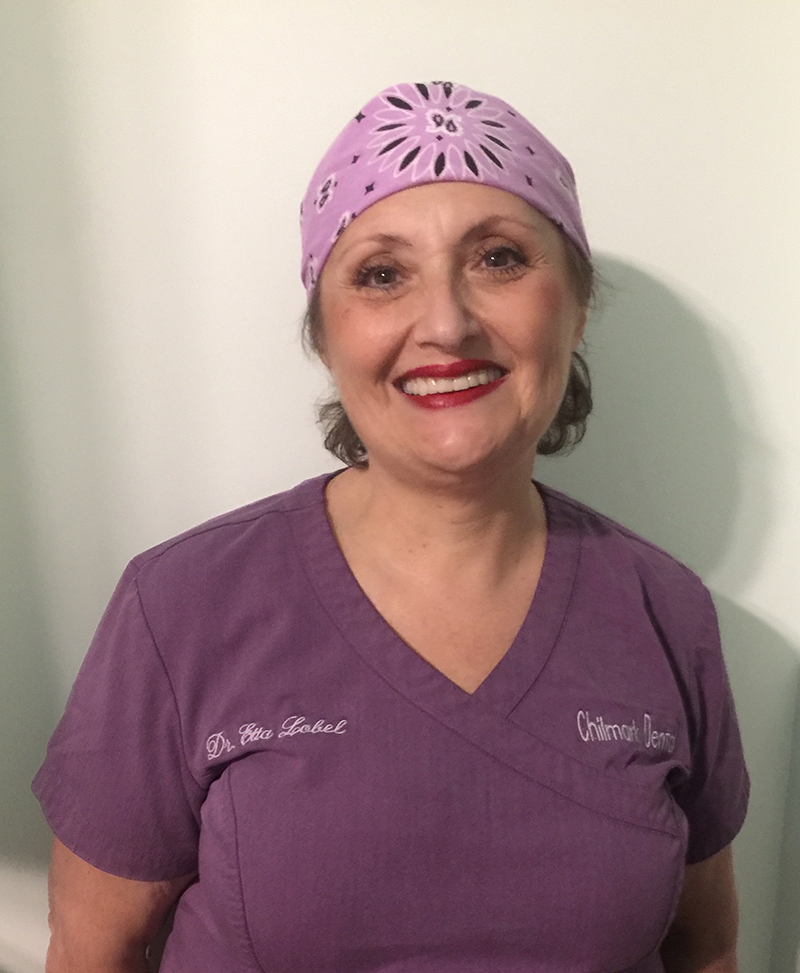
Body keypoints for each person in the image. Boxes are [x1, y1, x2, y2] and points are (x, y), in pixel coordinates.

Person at [34, 81, 748, 973]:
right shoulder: (179, 607)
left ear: (575, 303)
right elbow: (92, 953)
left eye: (498, 258)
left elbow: (708, 950)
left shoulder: (666, 613)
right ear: (326, 333)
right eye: (381, 274)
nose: (446, 322)